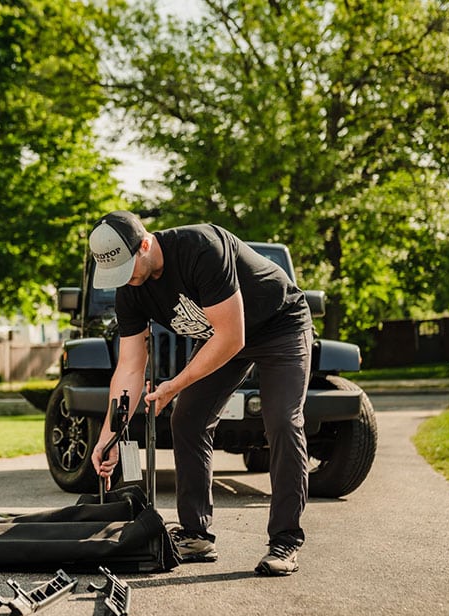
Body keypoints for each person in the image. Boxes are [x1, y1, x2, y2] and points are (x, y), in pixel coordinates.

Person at [89, 210, 313, 576]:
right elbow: (129, 368)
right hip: (220, 338)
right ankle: (195, 535)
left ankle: (285, 540)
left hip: (279, 326)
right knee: (188, 419)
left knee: (283, 422)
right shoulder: (130, 291)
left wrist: (174, 385)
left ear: (144, 244)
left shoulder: (201, 248)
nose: (125, 281)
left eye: (128, 268)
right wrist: (108, 439)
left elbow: (232, 336)